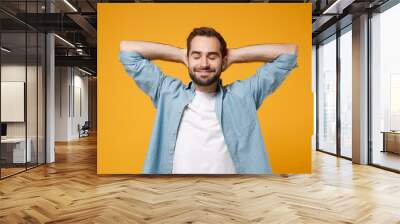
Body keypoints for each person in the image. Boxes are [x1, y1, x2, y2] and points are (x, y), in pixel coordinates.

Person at [119, 27, 297, 174]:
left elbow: (288, 54)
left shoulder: (244, 95)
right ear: (187, 60)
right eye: (196, 56)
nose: (204, 63)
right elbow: (127, 50)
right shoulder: (167, 92)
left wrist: (233, 55)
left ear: (223, 60)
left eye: (212, 56)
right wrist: (180, 54)